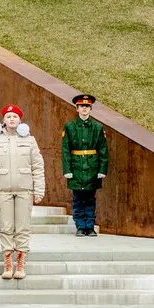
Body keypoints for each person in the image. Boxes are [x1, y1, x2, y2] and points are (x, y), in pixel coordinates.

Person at [0, 105, 45, 280]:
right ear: (3, 120)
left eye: (15, 117)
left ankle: (21, 262)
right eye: (8, 116)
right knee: (6, 227)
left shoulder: (30, 140)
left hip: (25, 189)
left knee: (23, 227)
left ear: (20, 120)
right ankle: (8, 262)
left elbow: (38, 166)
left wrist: (39, 190)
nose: (11, 119)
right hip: (2, 191)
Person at [62, 94, 109, 237]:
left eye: (87, 106)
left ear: (90, 108)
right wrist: (67, 169)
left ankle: (90, 226)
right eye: (82, 106)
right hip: (76, 166)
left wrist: (102, 169)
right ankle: (80, 226)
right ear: (77, 108)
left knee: (90, 198)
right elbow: (65, 149)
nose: (84, 109)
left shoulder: (97, 127)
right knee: (78, 198)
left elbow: (103, 149)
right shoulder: (70, 126)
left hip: (92, 167)